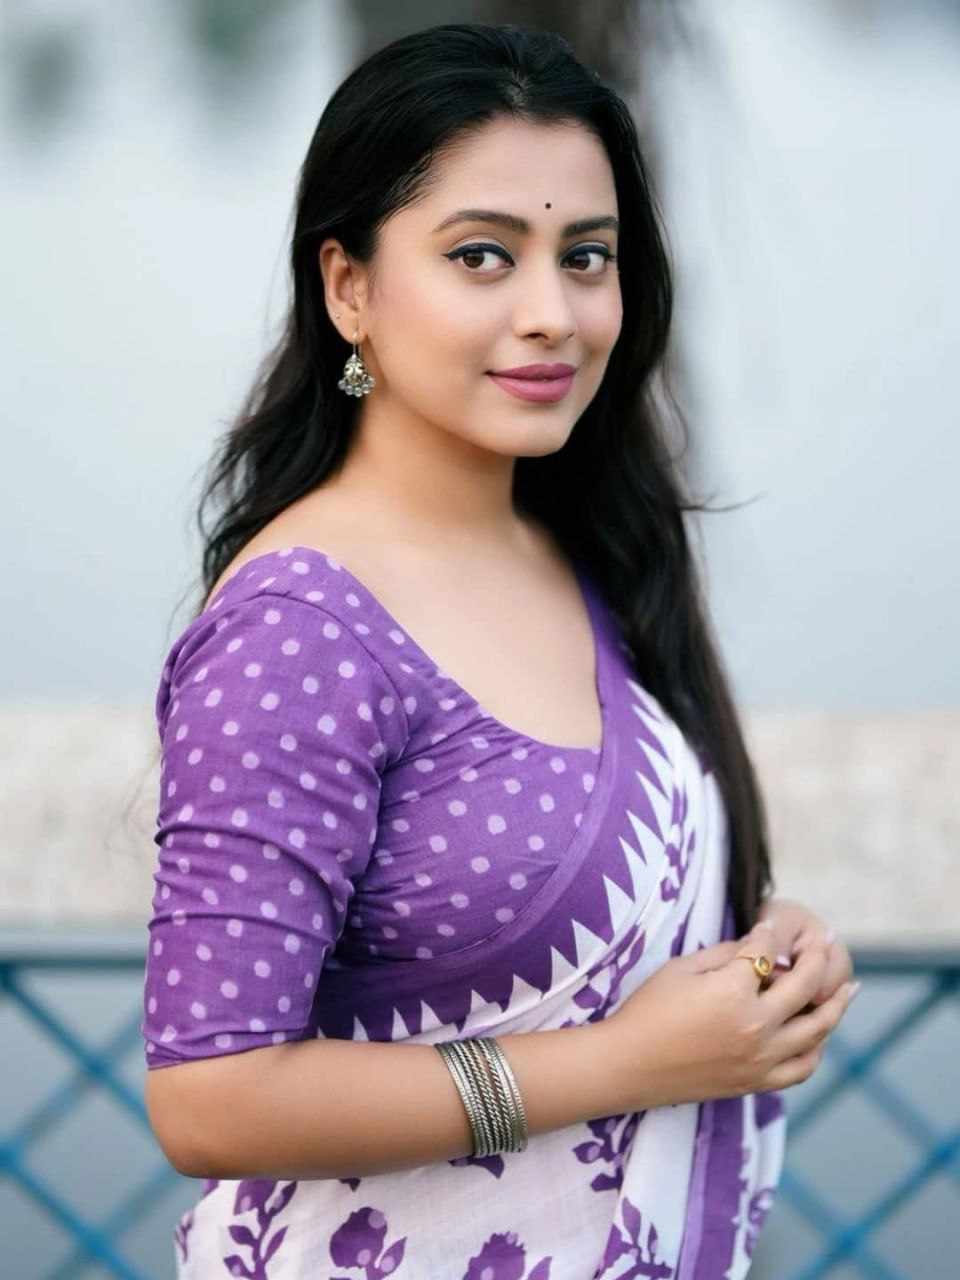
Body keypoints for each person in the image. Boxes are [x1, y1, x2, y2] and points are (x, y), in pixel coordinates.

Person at [140, 21, 857, 1279]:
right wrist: (624, 1064)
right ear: (348, 287)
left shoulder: (584, 548)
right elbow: (212, 1094)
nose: (552, 315)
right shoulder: (301, 628)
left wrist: (758, 957)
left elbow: (618, 912)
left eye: (587, 257)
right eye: (482, 255)